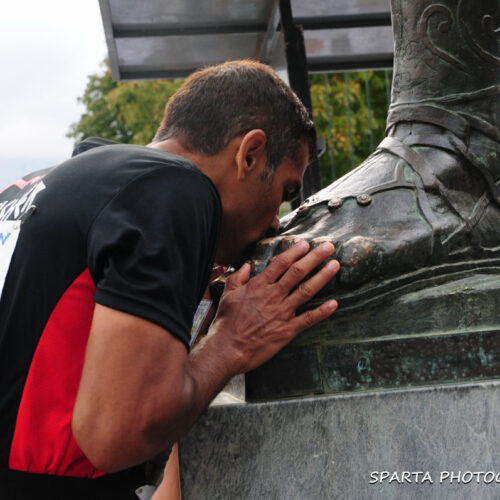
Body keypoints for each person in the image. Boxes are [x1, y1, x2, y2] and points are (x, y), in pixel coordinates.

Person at [0, 60, 339, 499]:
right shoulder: (172, 188)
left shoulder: (61, 181)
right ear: (250, 153)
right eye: (286, 191)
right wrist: (231, 342)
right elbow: (114, 432)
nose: (278, 222)